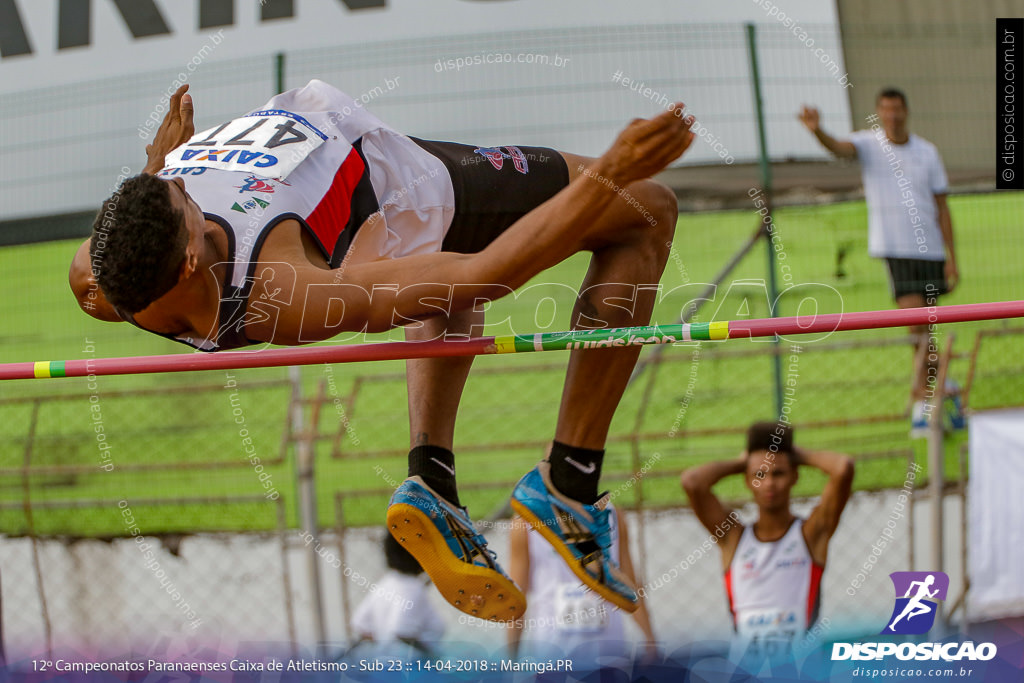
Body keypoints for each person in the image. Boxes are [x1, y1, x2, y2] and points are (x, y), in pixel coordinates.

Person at [69, 80, 695, 622]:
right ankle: (570, 483)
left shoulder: (100, 275)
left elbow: (138, 214)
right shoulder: (283, 289)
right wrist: (612, 171)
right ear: (186, 262)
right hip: (391, 181)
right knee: (647, 208)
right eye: (192, 209)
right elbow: (486, 275)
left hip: (321, 149)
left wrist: (156, 167)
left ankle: (432, 478)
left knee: (427, 283)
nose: (192, 191)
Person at [798, 88, 960, 436]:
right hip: (896, 250)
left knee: (927, 329)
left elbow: (943, 207)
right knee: (915, 327)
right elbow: (840, 148)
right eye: (885, 110)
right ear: (879, 113)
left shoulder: (927, 151)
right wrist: (817, 131)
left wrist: (951, 258)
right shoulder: (870, 144)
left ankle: (938, 390)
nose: (892, 116)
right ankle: (924, 395)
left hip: (930, 251)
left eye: (897, 110)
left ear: (906, 112)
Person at [680, 422, 854, 664]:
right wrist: (744, 460)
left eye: (779, 473)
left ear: (795, 476)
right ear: (748, 480)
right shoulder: (732, 538)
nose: (769, 483)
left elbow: (843, 469)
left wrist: (793, 453)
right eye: (759, 475)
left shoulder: (811, 535)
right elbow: (692, 482)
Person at [505, 506, 656, 662]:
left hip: (608, 650)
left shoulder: (613, 516)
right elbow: (516, 599)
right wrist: (511, 659)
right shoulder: (525, 523)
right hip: (553, 652)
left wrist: (650, 638)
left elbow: (630, 582)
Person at [349, 533, 446, 659]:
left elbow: (361, 624)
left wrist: (383, 641)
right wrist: (433, 657)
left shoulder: (385, 583)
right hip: (412, 670)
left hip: (383, 666)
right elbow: (401, 631)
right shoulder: (413, 588)